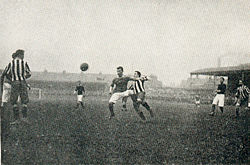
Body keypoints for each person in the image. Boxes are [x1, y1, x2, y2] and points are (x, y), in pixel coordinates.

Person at [2, 49, 31, 124]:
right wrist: (23, 77)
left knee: (14, 100)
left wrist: (12, 79)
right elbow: (29, 73)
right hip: (23, 82)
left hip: (15, 82)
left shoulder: (11, 63)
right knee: (24, 100)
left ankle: (16, 119)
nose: (23, 57)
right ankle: (24, 118)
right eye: (23, 55)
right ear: (20, 55)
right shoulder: (24, 63)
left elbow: (5, 73)